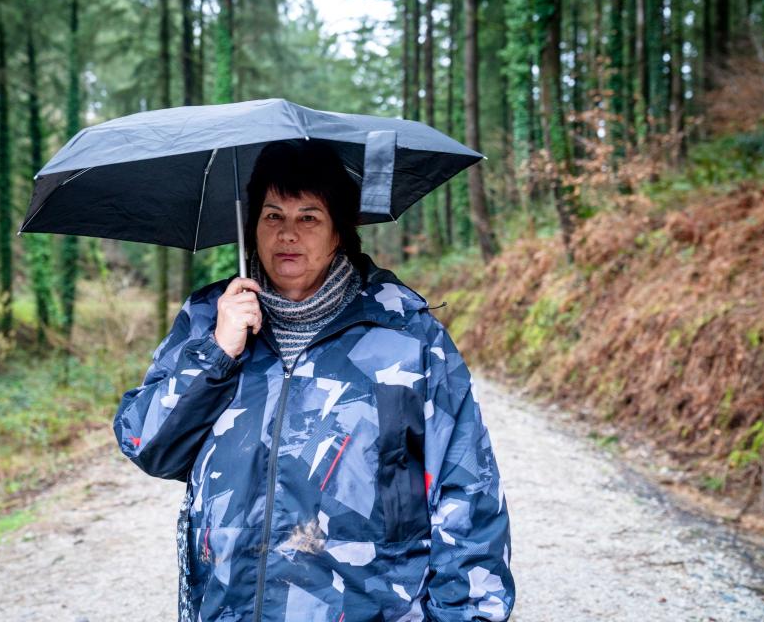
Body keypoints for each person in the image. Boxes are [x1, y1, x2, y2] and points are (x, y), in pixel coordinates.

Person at [113, 139, 515, 621]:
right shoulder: (207, 319)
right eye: (272, 216)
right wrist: (218, 354)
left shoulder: (407, 337)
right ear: (251, 227)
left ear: (339, 232)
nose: (287, 235)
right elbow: (149, 446)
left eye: (308, 217)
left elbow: (466, 488)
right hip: (228, 608)